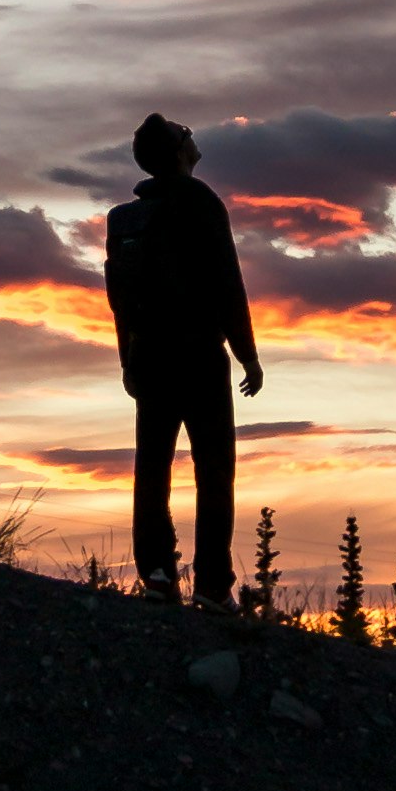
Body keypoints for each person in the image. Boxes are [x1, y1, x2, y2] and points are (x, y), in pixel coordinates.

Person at [103, 111, 263, 606]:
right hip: (198, 355)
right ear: (178, 152)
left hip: (148, 355)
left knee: (151, 469)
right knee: (214, 470)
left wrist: (128, 358)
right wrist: (247, 355)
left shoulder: (123, 219)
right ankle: (214, 586)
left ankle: (157, 575)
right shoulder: (202, 202)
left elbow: (118, 299)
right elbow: (227, 283)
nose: (192, 134)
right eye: (184, 132)